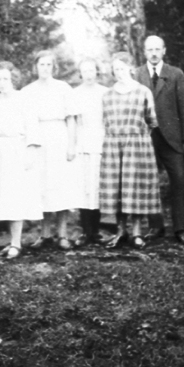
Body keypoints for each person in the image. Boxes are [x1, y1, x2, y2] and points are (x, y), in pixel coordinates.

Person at [134, 35, 184, 245]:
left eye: (157, 49)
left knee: (179, 181)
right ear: (144, 52)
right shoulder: (136, 74)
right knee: (149, 182)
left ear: (164, 51)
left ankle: (180, 228)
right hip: (145, 138)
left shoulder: (176, 74)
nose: (153, 53)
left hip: (173, 138)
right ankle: (156, 226)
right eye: (149, 49)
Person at [0, 61, 43, 259]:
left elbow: (32, 128)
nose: (2, 82)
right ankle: (11, 241)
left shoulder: (23, 98)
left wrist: (30, 153)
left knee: (15, 197)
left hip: (17, 150)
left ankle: (16, 243)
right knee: (3, 198)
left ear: (13, 79)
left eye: (5, 78)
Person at [99, 52, 161, 249]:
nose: (119, 72)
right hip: (113, 146)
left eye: (122, 68)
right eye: (116, 69)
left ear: (131, 69)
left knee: (134, 188)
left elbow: (152, 121)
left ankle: (136, 232)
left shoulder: (143, 91)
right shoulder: (107, 95)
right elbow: (104, 122)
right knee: (117, 189)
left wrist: (137, 137)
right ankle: (120, 230)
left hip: (136, 145)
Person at [22, 51, 79, 250]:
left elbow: (71, 119)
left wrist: (71, 145)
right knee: (42, 187)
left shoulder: (63, 88)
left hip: (59, 137)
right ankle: (45, 235)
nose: (45, 68)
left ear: (54, 67)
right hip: (38, 139)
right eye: (41, 64)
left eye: (48, 65)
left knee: (61, 186)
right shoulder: (28, 91)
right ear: (35, 67)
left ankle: (62, 234)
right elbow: (24, 122)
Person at [72, 58, 106, 246]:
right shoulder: (75, 93)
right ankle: (85, 231)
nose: (89, 74)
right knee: (84, 187)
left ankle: (96, 231)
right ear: (81, 74)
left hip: (100, 141)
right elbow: (74, 121)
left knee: (97, 186)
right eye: (85, 71)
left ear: (97, 72)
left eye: (92, 70)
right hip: (83, 142)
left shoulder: (105, 92)